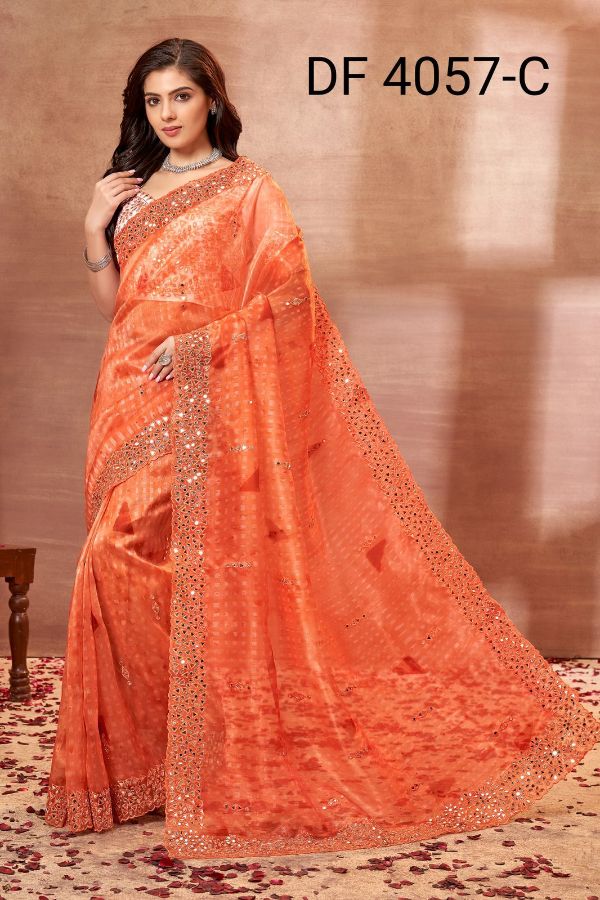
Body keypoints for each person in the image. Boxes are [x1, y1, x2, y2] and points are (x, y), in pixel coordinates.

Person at [43, 37, 600, 861]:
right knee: (117, 559)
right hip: (130, 393)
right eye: (153, 101)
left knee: (161, 559)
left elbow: (290, 302)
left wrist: (205, 344)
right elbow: (120, 310)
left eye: (181, 98)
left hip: (207, 395)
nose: (167, 114)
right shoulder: (132, 189)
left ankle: (208, 748)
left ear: (212, 101)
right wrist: (94, 225)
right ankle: (153, 760)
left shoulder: (248, 189)